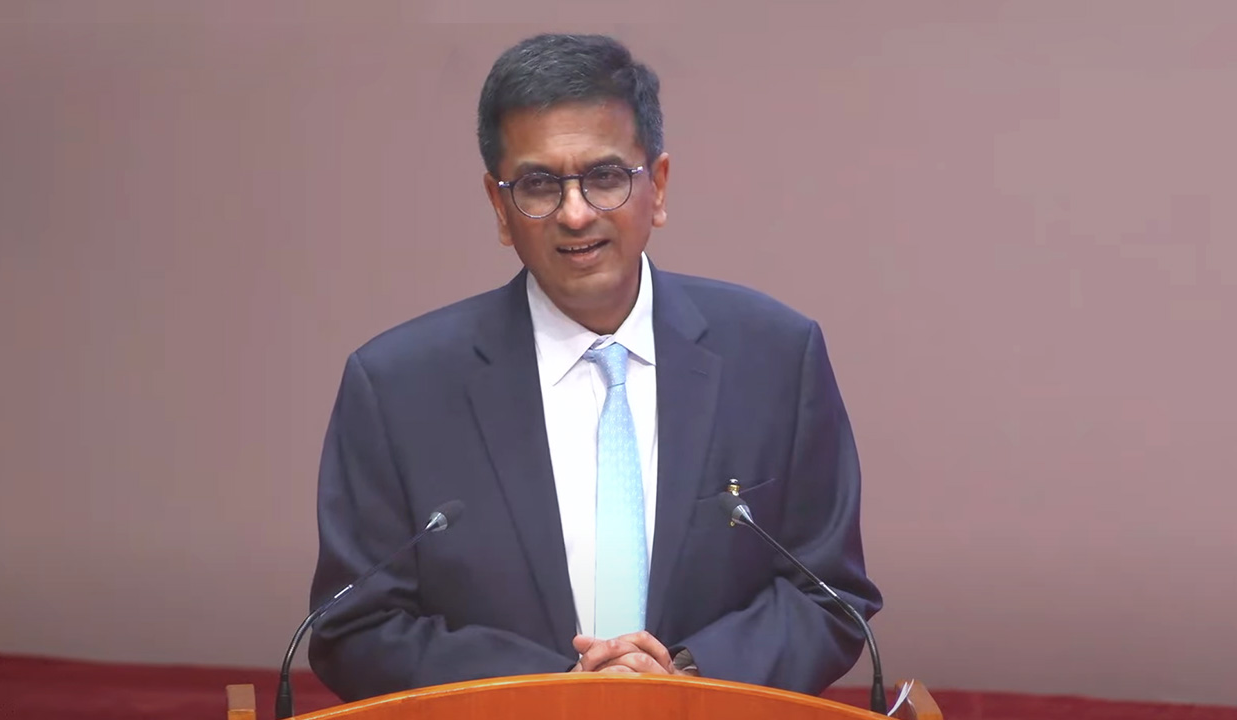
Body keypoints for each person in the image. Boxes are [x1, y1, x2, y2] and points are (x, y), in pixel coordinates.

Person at [307, 32, 882, 701]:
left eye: (605, 177)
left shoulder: (776, 356)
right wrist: (557, 692)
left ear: (656, 187)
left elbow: (829, 594)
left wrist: (684, 680)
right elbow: (355, 627)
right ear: (499, 207)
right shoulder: (398, 387)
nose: (575, 213)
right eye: (539, 185)